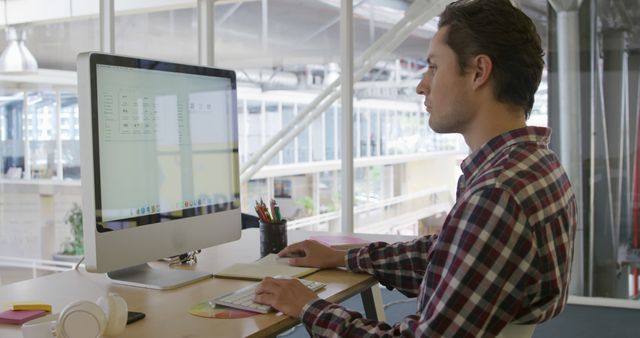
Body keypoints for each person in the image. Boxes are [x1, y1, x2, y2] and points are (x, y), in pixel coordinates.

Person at [254, 0, 577, 336]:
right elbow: (451, 255)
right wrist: (344, 258)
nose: (422, 85)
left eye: (434, 67)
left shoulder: (496, 195)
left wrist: (308, 307)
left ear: (479, 72)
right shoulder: (534, 165)